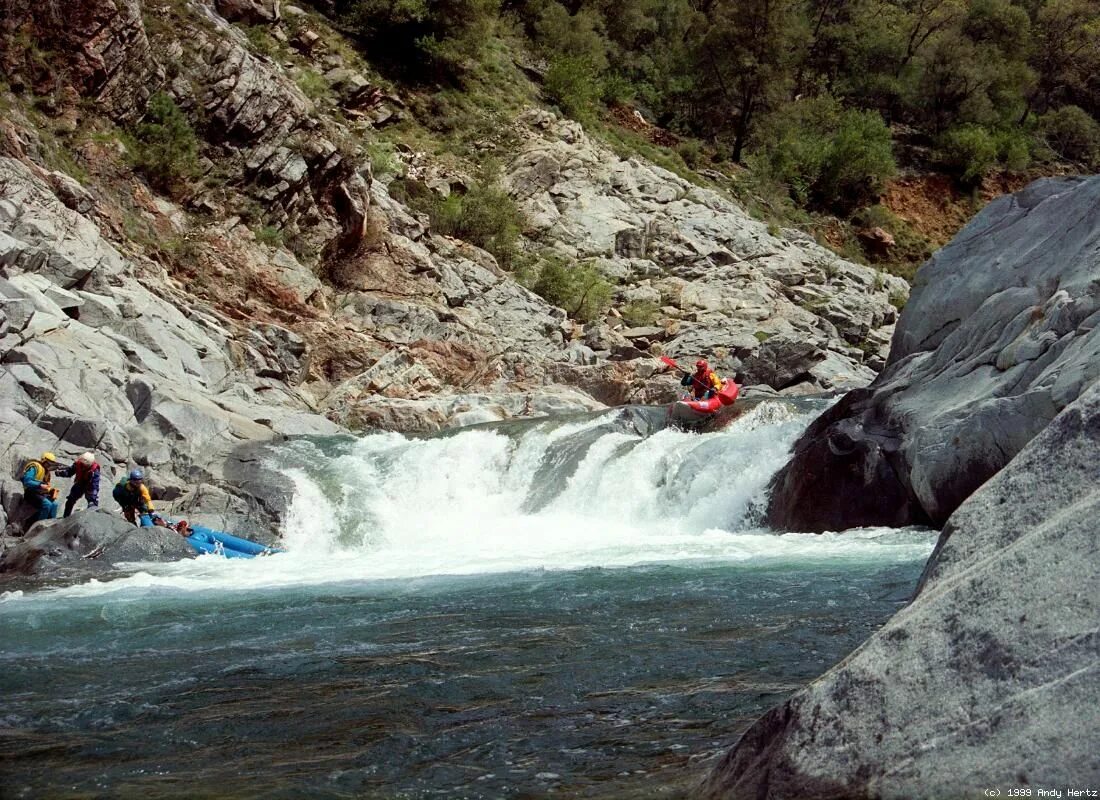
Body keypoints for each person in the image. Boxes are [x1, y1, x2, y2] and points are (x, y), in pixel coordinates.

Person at [57, 452, 101, 517]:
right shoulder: (78, 464)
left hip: (90, 485)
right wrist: (60, 473)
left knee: (92, 503)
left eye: (85, 465)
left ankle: (91, 518)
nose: (83, 466)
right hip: (80, 483)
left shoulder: (94, 471)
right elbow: (69, 472)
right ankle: (66, 517)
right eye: (82, 464)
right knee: (70, 500)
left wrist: (93, 496)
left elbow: (94, 485)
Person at [21, 451, 60, 522]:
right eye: (48, 463)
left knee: (55, 504)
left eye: (51, 463)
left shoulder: (47, 472)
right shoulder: (35, 467)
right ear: (43, 460)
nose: (49, 465)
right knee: (47, 504)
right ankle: (39, 526)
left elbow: (46, 486)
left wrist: (50, 490)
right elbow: (27, 481)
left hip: (39, 493)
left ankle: (51, 524)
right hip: (30, 492)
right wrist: (40, 485)